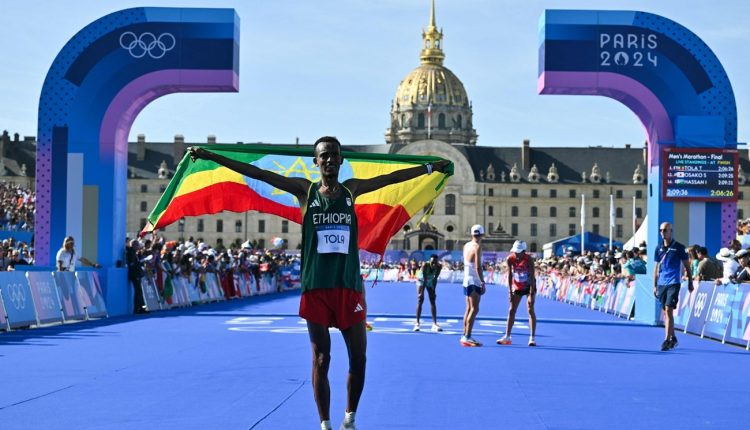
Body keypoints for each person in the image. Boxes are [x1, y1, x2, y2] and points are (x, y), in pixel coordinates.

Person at [189, 136, 449, 430]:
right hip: (316, 288)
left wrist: (429, 168)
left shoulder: (352, 189)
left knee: (359, 359)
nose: (329, 159)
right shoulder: (305, 190)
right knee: (322, 358)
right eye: (323, 155)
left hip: (348, 287)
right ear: (316, 162)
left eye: (334, 154)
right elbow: (258, 173)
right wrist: (212, 156)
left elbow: (391, 178)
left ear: (341, 160)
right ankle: (325, 423)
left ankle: (349, 418)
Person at [653, 222, 693, 351]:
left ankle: (666, 340)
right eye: (661, 230)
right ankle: (674, 337)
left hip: (674, 282)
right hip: (662, 283)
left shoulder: (679, 247)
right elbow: (656, 268)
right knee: (666, 312)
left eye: (665, 230)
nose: (663, 233)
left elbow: (687, 266)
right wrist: (654, 285)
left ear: (671, 231)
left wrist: (690, 282)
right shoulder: (658, 248)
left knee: (669, 309)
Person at [497, 240, 537, 346]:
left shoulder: (529, 259)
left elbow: (532, 276)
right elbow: (510, 275)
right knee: (511, 310)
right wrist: (510, 291)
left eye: (518, 252)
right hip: (517, 286)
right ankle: (507, 336)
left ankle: (532, 338)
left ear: (524, 251)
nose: (516, 254)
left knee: (530, 309)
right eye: (515, 252)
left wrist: (531, 293)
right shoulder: (510, 259)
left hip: (529, 285)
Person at [460, 224, 485, 347]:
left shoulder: (466, 245)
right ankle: (467, 336)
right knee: (475, 309)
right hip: (474, 280)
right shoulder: (477, 247)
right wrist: (482, 282)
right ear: (482, 235)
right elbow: (478, 267)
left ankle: (465, 334)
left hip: (466, 279)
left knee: (469, 308)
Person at [413, 254, 442, 332]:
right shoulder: (425, 265)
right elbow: (425, 279)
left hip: (429, 281)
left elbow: (435, 279)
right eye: (432, 262)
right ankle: (417, 323)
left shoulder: (439, 266)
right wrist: (421, 293)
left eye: (435, 262)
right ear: (430, 261)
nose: (434, 264)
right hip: (421, 281)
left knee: (432, 300)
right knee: (420, 299)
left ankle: (434, 324)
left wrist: (434, 291)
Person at [126, 239, 148, 314]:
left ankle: (141, 308)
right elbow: (132, 264)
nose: (139, 246)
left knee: (139, 292)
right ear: (134, 245)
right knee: (138, 292)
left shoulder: (134, 253)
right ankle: (139, 308)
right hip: (135, 274)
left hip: (136, 274)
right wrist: (140, 262)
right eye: (137, 245)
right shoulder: (131, 253)